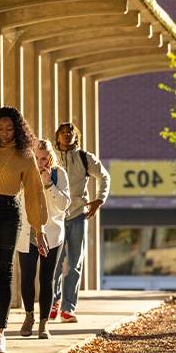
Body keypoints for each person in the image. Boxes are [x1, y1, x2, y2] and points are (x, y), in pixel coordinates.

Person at [0, 106, 48, 353]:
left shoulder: (25, 156)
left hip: (9, 213)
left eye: (10, 128)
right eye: (1, 128)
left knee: (4, 270)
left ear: (18, 130)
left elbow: (34, 194)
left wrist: (39, 230)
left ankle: (1, 333)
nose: (5, 132)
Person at [51, 122, 110, 323]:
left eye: (71, 133)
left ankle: (68, 309)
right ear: (57, 136)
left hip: (78, 215)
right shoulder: (51, 157)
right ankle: (53, 303)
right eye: (63, 132)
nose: (67, 135)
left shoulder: (85, 158)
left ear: (76, 136)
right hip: (55, 217)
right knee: (55, 263)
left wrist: (100, 199)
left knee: (75, 263)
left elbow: (104, 176)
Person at [16, 139, 70, 339]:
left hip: (52, 234)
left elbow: (64, 205)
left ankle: (43, 323)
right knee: (27, 277)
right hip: (27, 233)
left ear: (50, 158)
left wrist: (49, 185)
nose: (40, 162)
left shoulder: (59, 174)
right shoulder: (24, 173)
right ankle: (29, 316)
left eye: (44, 159)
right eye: (36, 158)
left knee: (47, 279)